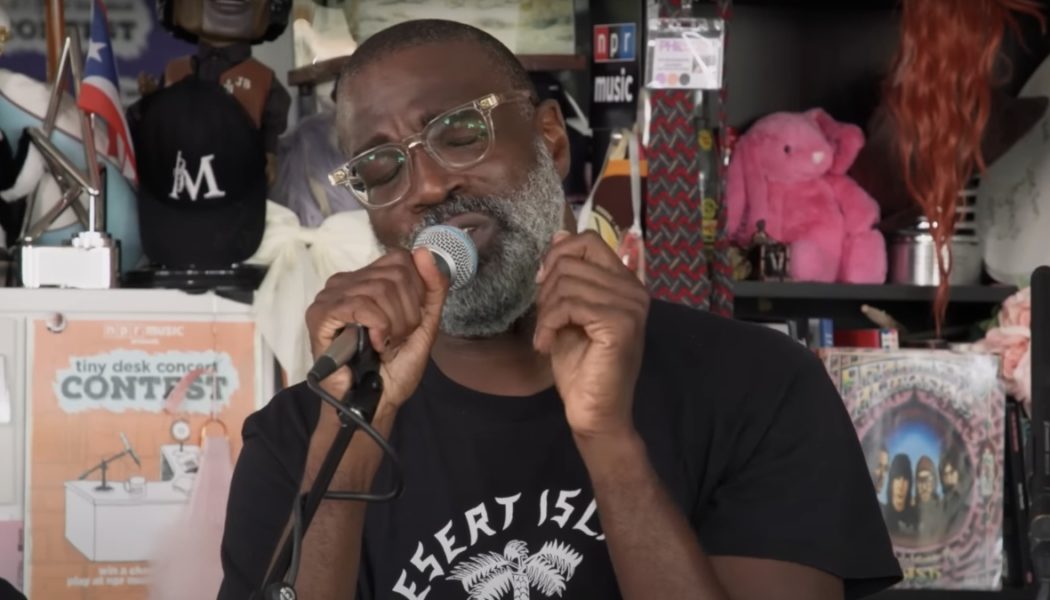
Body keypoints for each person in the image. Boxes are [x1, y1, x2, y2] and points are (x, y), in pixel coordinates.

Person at [217, 19, 902, 600]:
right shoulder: (300, 439)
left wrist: (610, 443)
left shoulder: (760, 387)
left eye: (459, 134)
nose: (426, 185)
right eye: (381, 167)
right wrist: (352, 441)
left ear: (550, 139)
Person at [882, 454, 918, 540]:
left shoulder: (916, 519)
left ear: (910, 484)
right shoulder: (883, 514)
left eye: (905, 479)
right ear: (891, 482)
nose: (901, 486)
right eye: (897, 478)